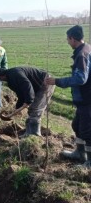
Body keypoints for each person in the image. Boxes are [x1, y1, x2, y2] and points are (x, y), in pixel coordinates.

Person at [45, 25, 91, 168]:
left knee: (87, 132)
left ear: (73, 38)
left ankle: (89, 163)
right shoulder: (86, 48)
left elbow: (80, 79)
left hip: (87, 99)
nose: (67, 42)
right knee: (76, 125)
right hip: (83, 99)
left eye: (68, 39)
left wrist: (57, 81)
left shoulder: (81, 55)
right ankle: (79, 153)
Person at [0, 67, 55, 137]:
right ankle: (29, 132)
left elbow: (26, 84)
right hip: (39, 85)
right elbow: (21, 94)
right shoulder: (10, 80)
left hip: (46, 82)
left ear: (1, 76)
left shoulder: (15, 74)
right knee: (32, 109)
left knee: (35, 109)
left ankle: (33, 134)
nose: (1, 81)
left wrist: (29, 100)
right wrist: (18, 107)